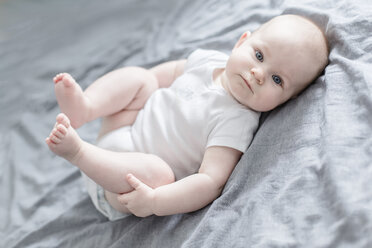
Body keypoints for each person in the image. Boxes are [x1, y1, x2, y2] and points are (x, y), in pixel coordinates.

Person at [45, 14, 329, 220]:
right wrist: (128, 93)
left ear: (287, 100)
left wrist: (155, 201)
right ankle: (87, 107)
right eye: (258, 55)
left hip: (123, 183)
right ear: (241, 42)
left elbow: (210, 181)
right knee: (142, 79)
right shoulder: (207, 60)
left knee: (160, 174)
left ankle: (78, 152)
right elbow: (162, 76)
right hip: (123, 129)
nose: (258, 74)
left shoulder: (237, 121)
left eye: (277, 79)